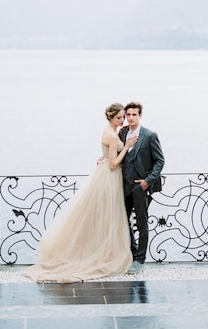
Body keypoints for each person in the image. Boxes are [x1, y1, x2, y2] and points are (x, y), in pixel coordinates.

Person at [23, 103, 138, 283]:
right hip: (110, 177)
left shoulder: (108, 131)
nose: (123, 120)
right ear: (110, 117)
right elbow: (113, 164)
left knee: (105, 217)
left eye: (123, 117)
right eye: (119, 117)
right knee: (109, 216)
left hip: (104, 175)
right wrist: (126, 146)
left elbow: (108, 154)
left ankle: (103, 251)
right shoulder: (112, 135)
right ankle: (106, 254)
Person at [119, 101, 165, 274]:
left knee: (142, 221)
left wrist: (147, 181)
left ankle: (140, 259)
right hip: (124, 185)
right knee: (123, 220)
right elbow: (118, 153)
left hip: (141, 187)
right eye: (128, 115)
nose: (130, 118)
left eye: (134, 115)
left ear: (140, 116)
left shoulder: (150, 135)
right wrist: (104, 160)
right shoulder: (122, 133)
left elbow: (160, 161)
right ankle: (131, 252)